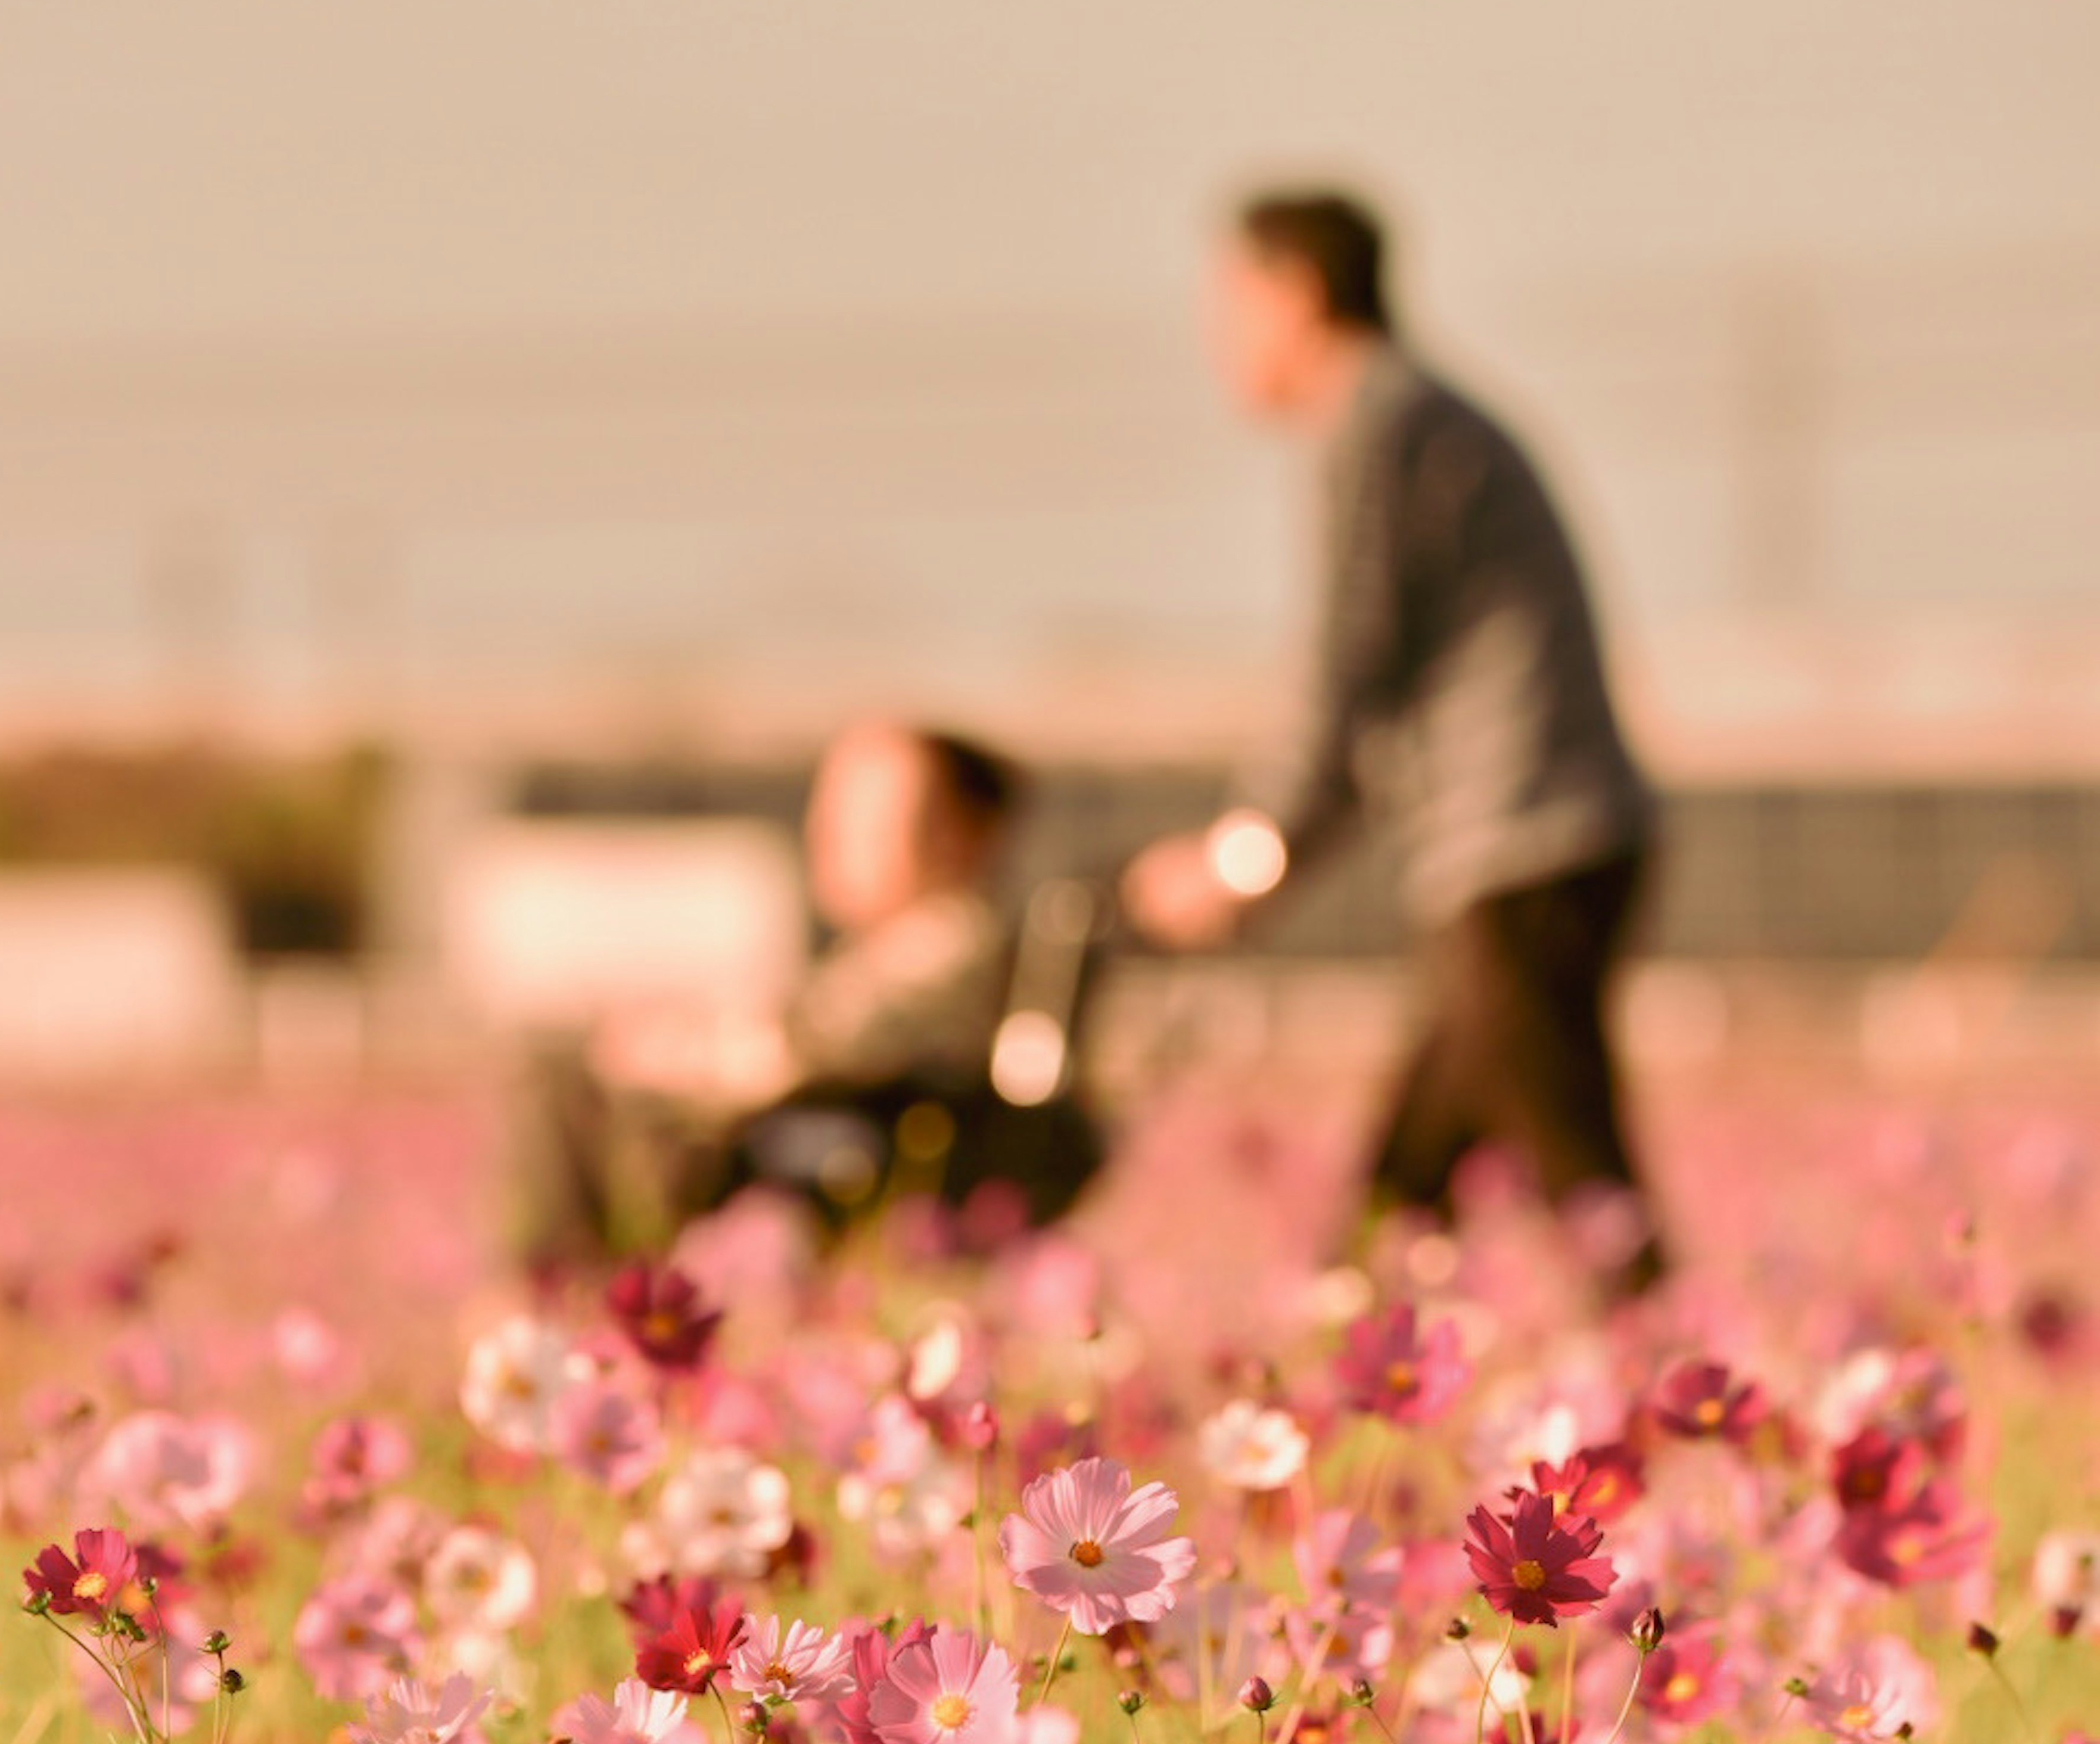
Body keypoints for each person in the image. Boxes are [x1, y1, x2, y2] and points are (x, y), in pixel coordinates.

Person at [1122, 187, 1662, 1290]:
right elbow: (1379, 715)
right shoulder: (1417, 418)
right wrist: (1271, 859)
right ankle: (1357, 1356)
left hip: (1526, 846)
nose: (1217, 340)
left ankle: (1694, 1393)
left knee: (1574, 1176)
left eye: (1233, 304)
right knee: (1417, 1177)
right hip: (1530, 843)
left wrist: (1244, 857)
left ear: (1299, 295)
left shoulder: (1379, 426)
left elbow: (1343, 670)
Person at [517, 720, 1102, 1263]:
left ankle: (558, 1291)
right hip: (828, 1151)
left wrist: (662, 1054)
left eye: (862, 816)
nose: (824, 833)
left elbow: (802, 1047)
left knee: (568, 1087)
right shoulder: (898, 946)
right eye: (826, 807)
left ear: (959, 835)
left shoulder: (949, 942)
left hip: (839, 1164)